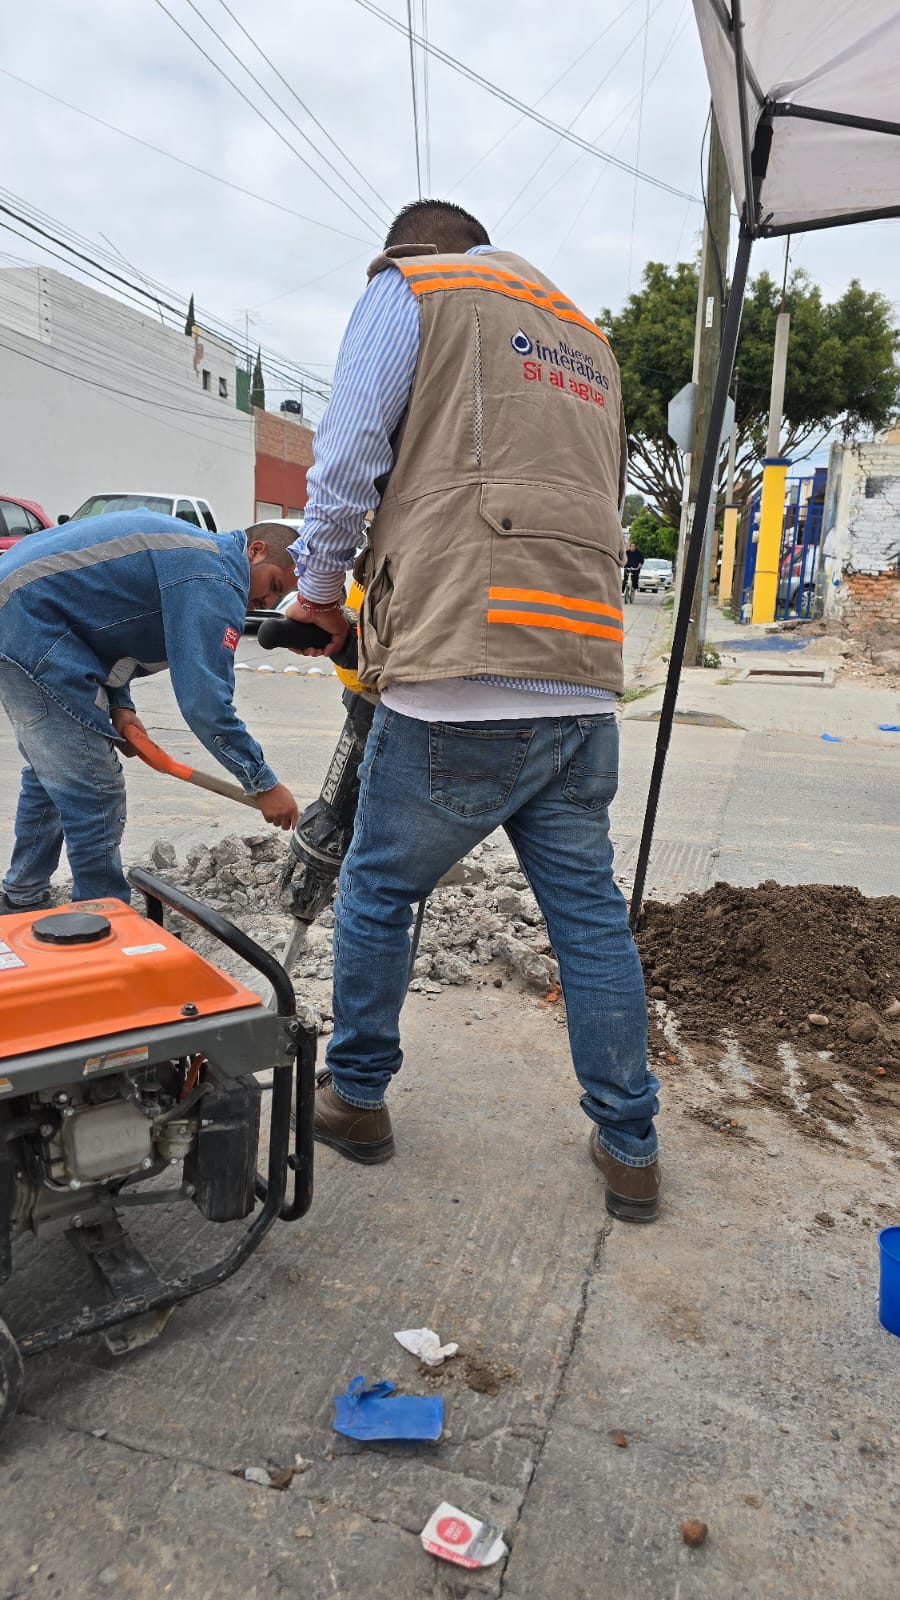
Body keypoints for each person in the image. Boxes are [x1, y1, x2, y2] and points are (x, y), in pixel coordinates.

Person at [287, 199, 660, 1222]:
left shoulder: (415, 287)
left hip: (458, 674)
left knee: (376, 886)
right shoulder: (588, 343)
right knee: (587, 914)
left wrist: (320, 591)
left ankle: (357, 1096)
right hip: (581, 676)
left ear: (418, 245)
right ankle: (631, 1142)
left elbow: (350, 451)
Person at [0, 510, 299, 909]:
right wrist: (261, 781)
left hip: (21, 610)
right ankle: (101, 919)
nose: (269, 600)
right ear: (256, 551)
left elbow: (103, 618)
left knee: (54, 774)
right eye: (274, 584)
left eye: (280, 597)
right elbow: (204, 703)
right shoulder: (215, 575)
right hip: (25, 620)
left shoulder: (195, 556)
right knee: (92, 787)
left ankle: (22, 895)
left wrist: (120, 705)